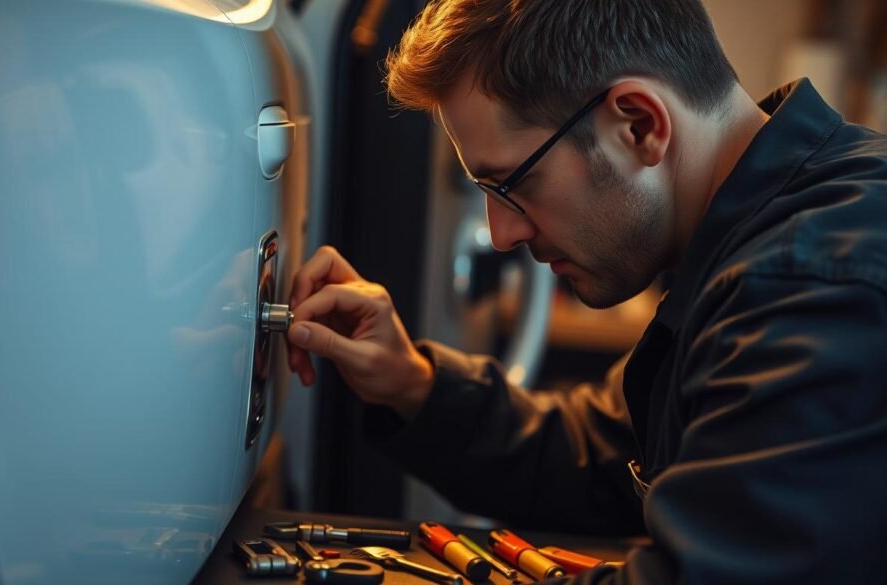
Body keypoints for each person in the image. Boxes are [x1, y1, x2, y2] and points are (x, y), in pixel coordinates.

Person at [285, 0, 887, 582]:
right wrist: (411, 382)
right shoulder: (755, 246)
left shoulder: (812, 286)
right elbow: (601, 454)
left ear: (638, 125)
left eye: (512, 184)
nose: (502, 235)